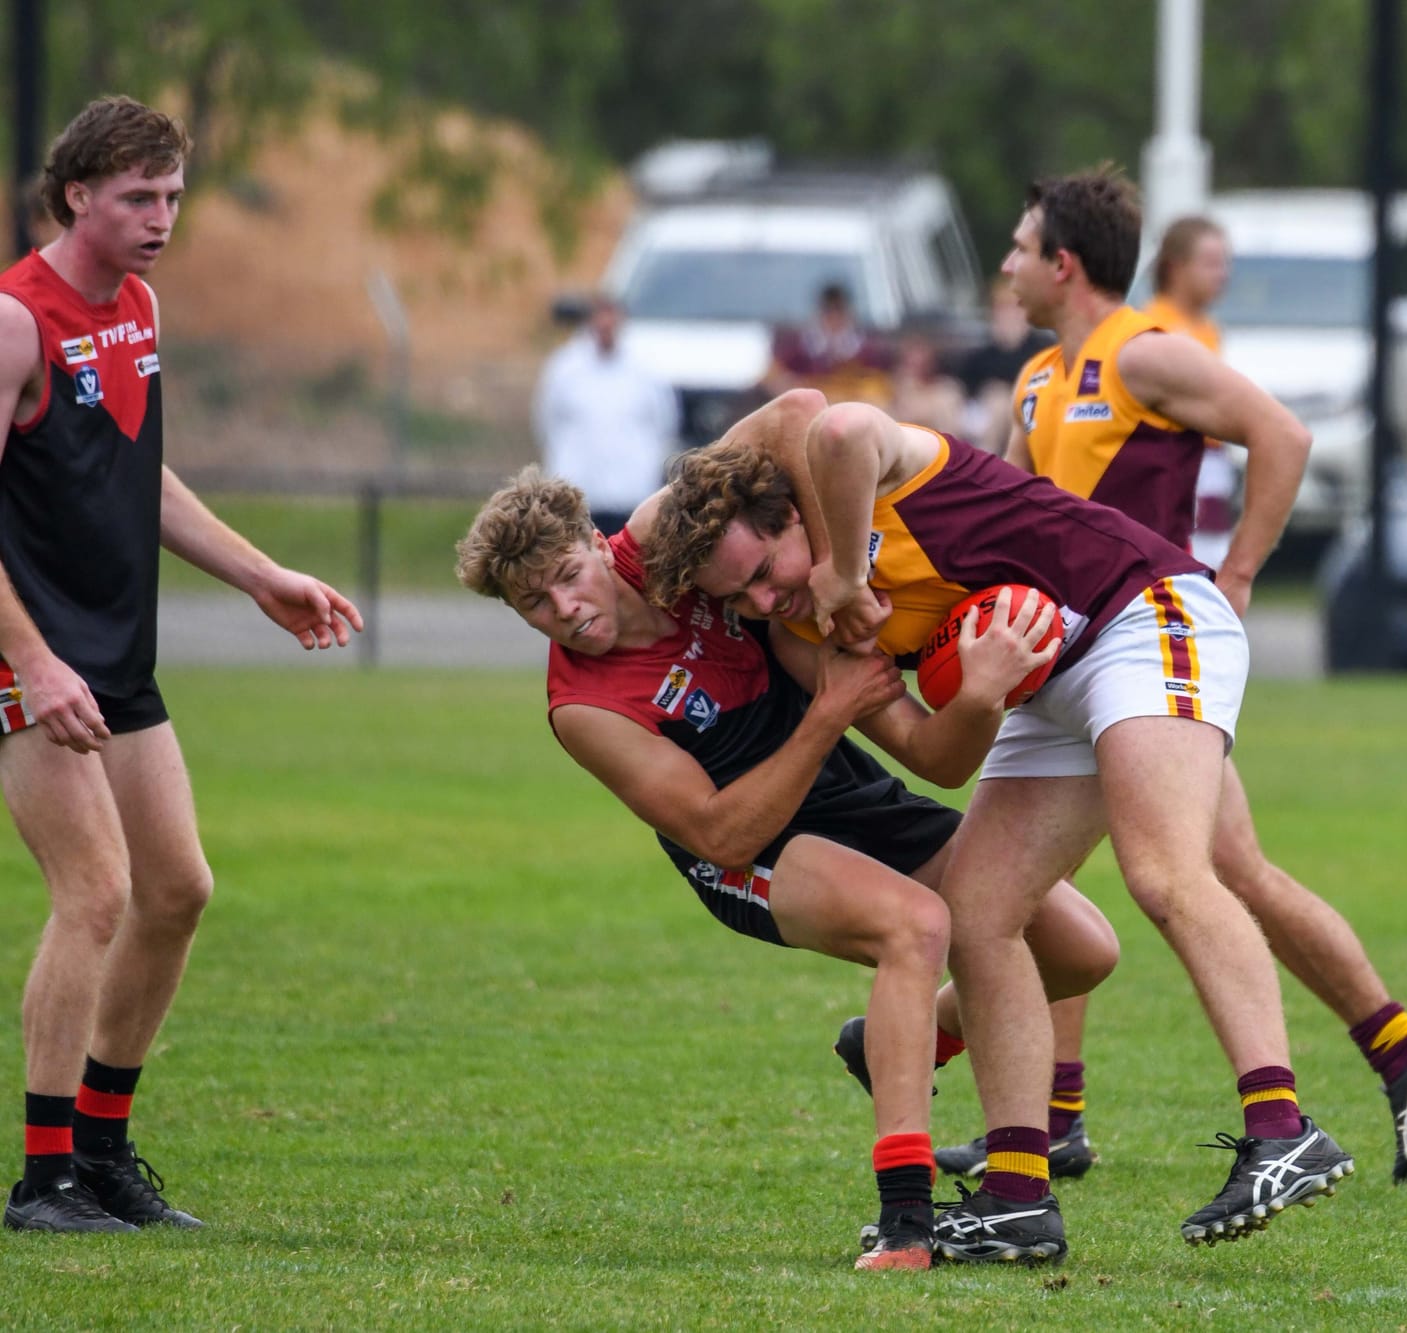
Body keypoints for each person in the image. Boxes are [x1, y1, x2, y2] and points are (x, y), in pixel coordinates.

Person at [651, 403, 1352, 1264]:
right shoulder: (803, 633)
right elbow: (929, 756)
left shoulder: (856, 481)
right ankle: (1018, 1195)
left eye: (765, 569)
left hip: (1138, 610)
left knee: (1163, 872)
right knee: (979, 914)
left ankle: (1282, 1129)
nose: (766, 599)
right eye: (740, 597)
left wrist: (840, 569)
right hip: (1043, 684)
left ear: (790, 515)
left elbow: (829, 428)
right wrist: (979, 694)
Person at [455, 392, 1118, 1270]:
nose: (564, 610)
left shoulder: (672, 539)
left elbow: (803, 411)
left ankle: (896, 1037)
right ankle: (908, 1222)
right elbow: (718, 832)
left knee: (1080, 948)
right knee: (914, 927)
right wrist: (824, 717)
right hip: (745, 842)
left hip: (832, 780)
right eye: (533, 605)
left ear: (591, 541)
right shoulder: (584, 708)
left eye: (565, 578)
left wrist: (861, 585)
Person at [995, 168, 1407, 1186]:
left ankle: (1074, 1116)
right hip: (1080, 665)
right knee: (1221, 871)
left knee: (1124, 879)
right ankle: (1400, 1050)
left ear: (1061, 263)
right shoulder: (1035, 382)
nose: (1004, 264)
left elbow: (1282, 436)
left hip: (1146, 654)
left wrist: (1239, 572)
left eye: (1018, 246)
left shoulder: (1147, 356)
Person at [0, 96, 362, 1233]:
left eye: (171, 195)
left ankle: (103, 1153)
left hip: (115, 651)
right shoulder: (17, 320)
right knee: (95, 893)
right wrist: (34, 660)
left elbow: (136, 472)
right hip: (29, 657)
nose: (161, 217)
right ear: (77, 197)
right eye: (137, 197)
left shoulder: (140, 306)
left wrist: (260, 574)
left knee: (177, 889)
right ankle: (43, 1178)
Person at [533, 292, 680, 536]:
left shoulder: (646, 370)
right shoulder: (565, 368)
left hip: (632, 493)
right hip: (578, 492)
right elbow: (547, 421)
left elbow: (665, 422)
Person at [1142, 215, 1239, 569]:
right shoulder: (1155, 325)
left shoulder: (1208, 328)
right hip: (1179, 462)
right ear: (1176, 267)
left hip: (1210, 465)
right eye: (1211, 263)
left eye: (1225, 263)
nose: (1223, 273)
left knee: (1213, 563)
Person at [951, 277, 1052, 452]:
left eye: (1013, 308)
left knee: (998, 400)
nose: (1007, 315)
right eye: (1001, 308)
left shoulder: (1042, 349)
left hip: (1026, 409)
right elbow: (962, 386)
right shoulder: (981, 355)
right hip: (980, 412)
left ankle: (982, 464)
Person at [762, 283, 894, 407]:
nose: (834, 317)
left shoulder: (868, 350)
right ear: (820, 313)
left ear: (848, 313)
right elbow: (773, 378)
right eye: (829, 311)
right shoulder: (798, 347)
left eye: (839, 311)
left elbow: (884, 386)